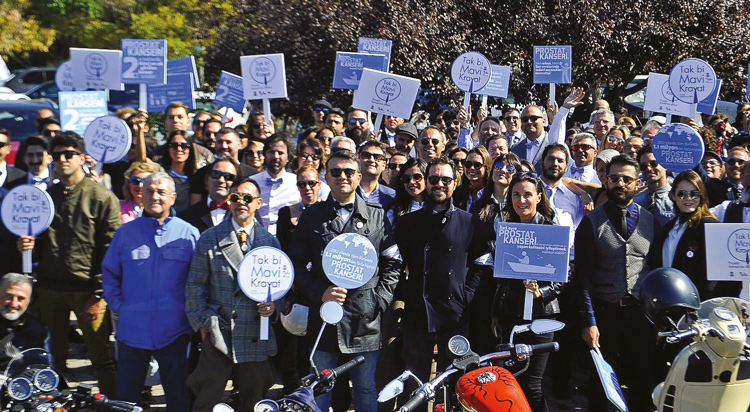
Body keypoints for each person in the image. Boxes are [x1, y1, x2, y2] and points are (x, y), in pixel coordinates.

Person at [289, 151, 401, 412]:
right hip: (325, 318)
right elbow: (294, 265)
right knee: (320, 389)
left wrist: (379, 301)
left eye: (349, 172)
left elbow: (393, 261)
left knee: (365, 389)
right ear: (325, 176)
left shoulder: (377, 216)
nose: (342, 176)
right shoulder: (312, 216)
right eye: (336, 172)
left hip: (365, 318)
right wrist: (320, 291)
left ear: (359, 177)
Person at [17, 132, 119, 397]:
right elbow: (38, 244)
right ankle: (55, 403)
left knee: (101, 358)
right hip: (50, 289)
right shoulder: (45, 197)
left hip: (89, 290)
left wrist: (99, 295)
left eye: (69, 154)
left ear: (82, 158)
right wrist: (26, 246)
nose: (62, 159)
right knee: (52, 360)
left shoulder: (102, 197)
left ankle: (110, 403)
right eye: (57, 155)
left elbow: (111, 252)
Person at [102, 172, 199, 411]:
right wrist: (118, 306)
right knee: (126, 400)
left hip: (174, 331)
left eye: (161, 192)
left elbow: (199, 280)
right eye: (149, 192)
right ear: (141, 196)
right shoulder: (125, 233)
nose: (155, 197)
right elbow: (109, 273)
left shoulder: (189, 234)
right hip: (131, 331)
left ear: (173, 198)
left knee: (178, 398)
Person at [186, 177, 281, 411]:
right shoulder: (210, 237)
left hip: (256, 334)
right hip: (218, 332)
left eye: (247, 198)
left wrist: (274, 307)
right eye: (236, 197)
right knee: (206, 399)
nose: (241, 202)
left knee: (254, 400)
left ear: (258, 203)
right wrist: (203, 325)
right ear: (229, 201)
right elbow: (194, 287)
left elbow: (281, 287)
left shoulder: (270, 243)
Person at [394, 157, 483, 404]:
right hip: (417, 314)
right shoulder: (407, 222)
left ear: (455, 183)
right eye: (433, 179)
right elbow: (395, 265)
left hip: (455, 313)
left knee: (454, 385)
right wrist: (407, 294)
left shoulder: (470, 221)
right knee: (415, 386)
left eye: (445, 180)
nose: (439, 185)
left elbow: (482, 263)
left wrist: (468, 294)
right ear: (426, 182)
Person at [575, 154, 657, 411]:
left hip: (640, 317)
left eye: (626, 178)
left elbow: (656, 271)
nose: (620, 183)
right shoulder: (590, 223)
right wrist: (589, 322)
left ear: (638, 183)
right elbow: (583, 278)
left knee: (642, 384)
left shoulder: (651, 222)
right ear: (606, 181)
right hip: (604, 314)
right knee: (601, 387)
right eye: (614, 178)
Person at [491, 172, 563, 412]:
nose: (522, 200)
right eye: (516, 195)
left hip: (542, 319)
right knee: (511, 382)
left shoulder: (551, 229)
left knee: (533, 384)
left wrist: (541, 290)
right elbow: (500, 278)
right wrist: (495, 313)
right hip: (510, 315)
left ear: (539, 197)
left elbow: (562, 279)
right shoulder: (507, 229)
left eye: (527, 195)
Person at [653, 170, 741, 300]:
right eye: (682, 194)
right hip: (669, 300)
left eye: (694, 194)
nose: (689, 198)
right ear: (673, 196)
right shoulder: (668, 228)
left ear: (702, 196)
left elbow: (723, 278)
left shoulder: (710, 226)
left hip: (698, 304)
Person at [0, 273, 48, 370]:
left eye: (21, 298)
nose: (14, 304)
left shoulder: (37, 328)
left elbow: (43, 366)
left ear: (29, 301)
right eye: (8, 296)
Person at [179, 156, 239, 234]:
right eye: (216, 174)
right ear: (207, 180)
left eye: (228, 177)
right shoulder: (186, 216)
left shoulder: (242, 213)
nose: (221, 180)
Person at [276, 165, 322, 251]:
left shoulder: (327, 210)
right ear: (297, 186)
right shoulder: (285, 213)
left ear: (319, 184)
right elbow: (282, 245)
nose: (307, 188)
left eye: (311, 183)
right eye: (302, 184)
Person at [634, 145, 675, 226]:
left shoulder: (677, 198)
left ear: (665, 165)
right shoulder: (635, 201)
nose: (649, 169)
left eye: (653, 163)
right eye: (644, 166)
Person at [160, 131, 199, 213]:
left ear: (190, 149)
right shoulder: (160, 174)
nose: (179, 149)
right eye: (174, 145)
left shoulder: (197, 176)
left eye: (184, 146)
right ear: (168, 148)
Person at [357, 140, 396, 211]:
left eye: (377, 157)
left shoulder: (392, 196)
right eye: (366, 155)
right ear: (358, 160)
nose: (371, 160)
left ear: (384, 165)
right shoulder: (347, 190)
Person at [387, 157, 427, 223]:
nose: (411, 182)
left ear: (426, 178)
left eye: (417, 177)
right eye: (406, 178)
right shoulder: (394, 210)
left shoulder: (436, 206)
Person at [454, 146, 491, 211]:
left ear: (486, 167)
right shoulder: (457, 193)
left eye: (477, 165)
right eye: (468, 164)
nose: (472, 168)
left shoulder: (492, 193)